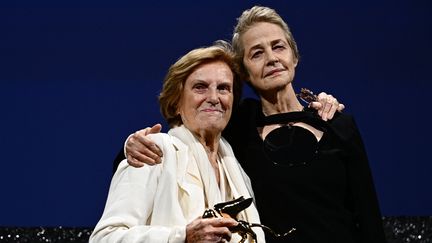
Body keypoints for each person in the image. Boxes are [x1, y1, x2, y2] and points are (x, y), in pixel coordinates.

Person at [115, 6, 386, 243]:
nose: (271, 58)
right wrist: (131, 145)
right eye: (257, 53)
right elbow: (174, 138)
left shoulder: (336, 123)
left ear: (294, 56)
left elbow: (368, 216)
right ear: (243, 73)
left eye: (278, 46)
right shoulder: (237, 123)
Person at [90, 42, 266, 243]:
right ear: (175, 104)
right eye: (200, 87)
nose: (214, 98)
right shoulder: (152, 152)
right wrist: (182, 237)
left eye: (224, 88)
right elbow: (104, 238)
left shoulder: (238, 174)